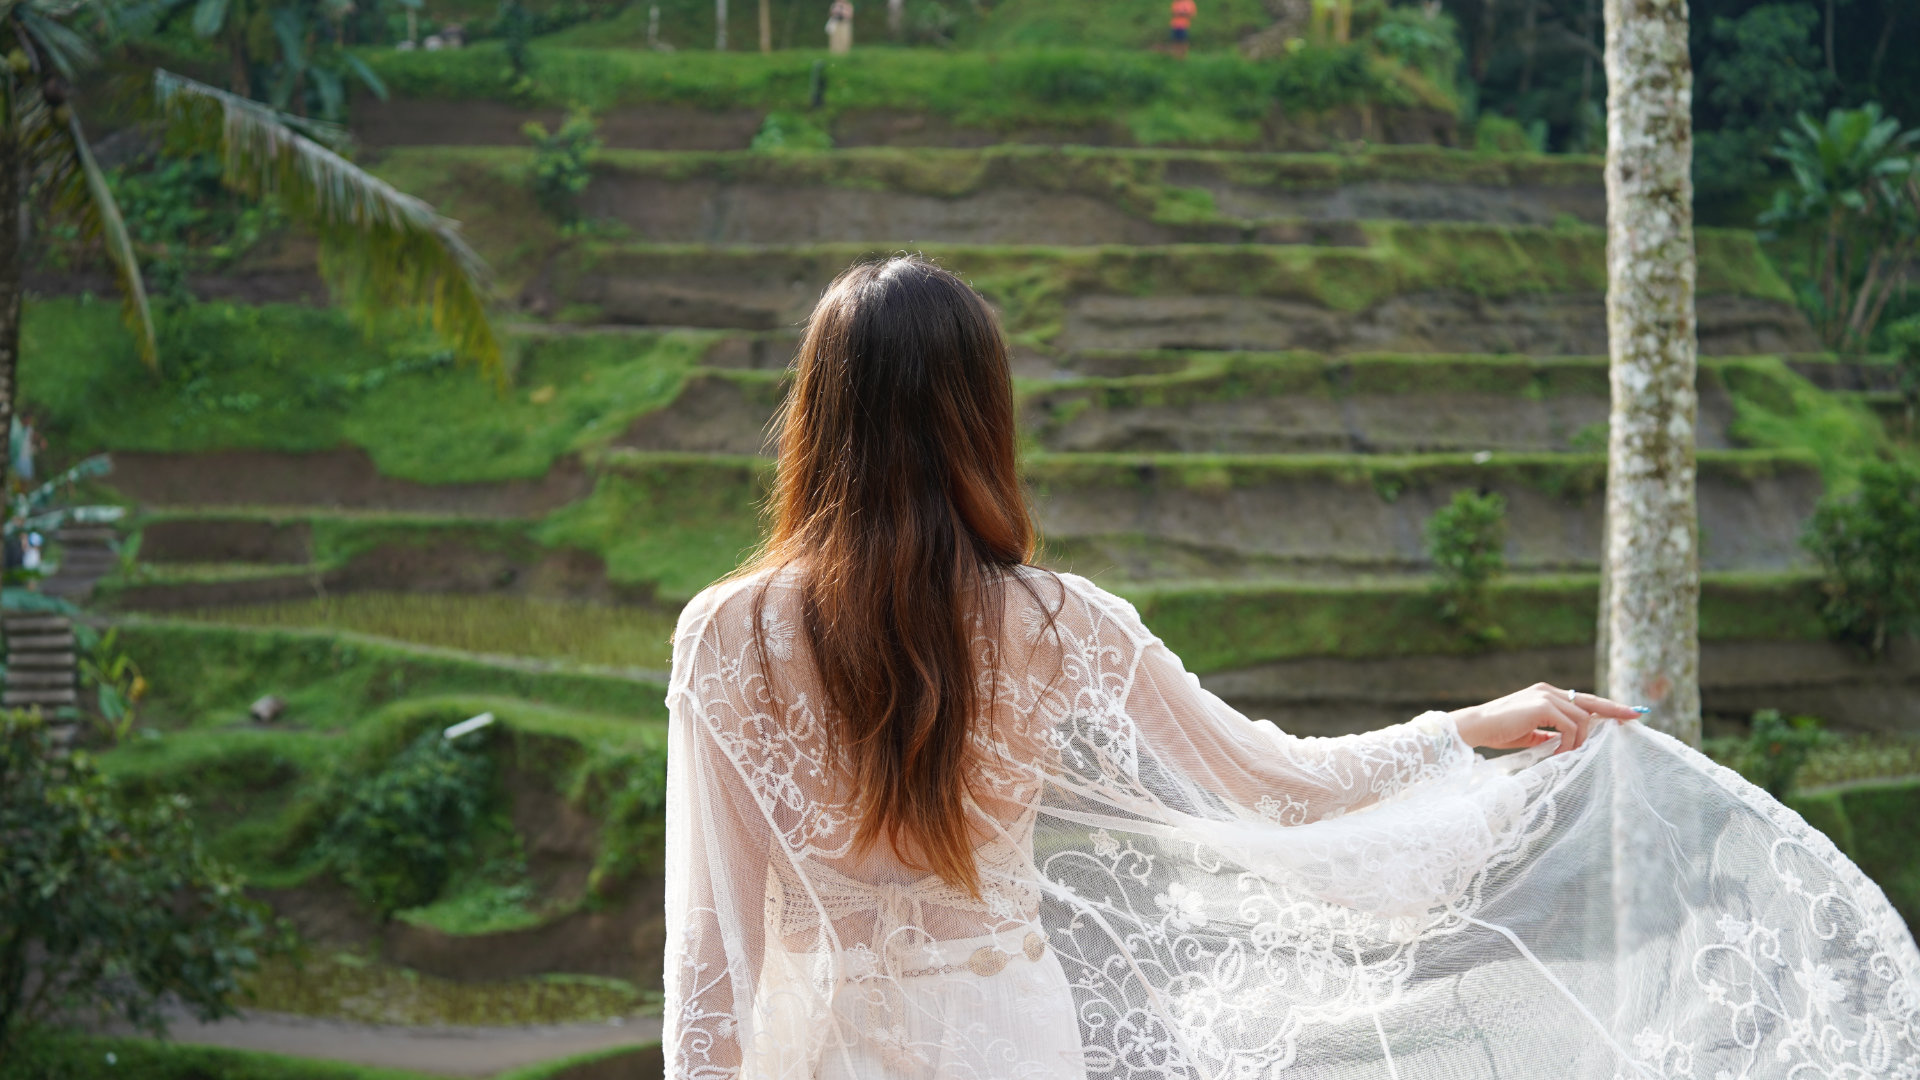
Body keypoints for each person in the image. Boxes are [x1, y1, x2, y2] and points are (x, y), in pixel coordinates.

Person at [664, 256, 1920, 1079]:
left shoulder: (723, 637)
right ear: (980, 418)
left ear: (816, 414)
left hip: (815, 1049)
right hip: (1006, 1036)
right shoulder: (1060, 623)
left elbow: (711, 959)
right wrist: (1466, 728)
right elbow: (1279, 784)